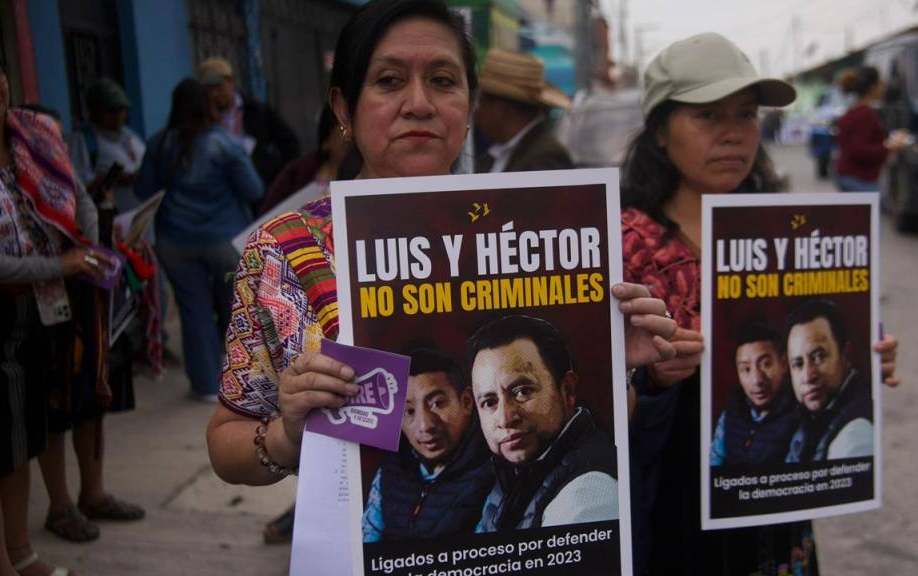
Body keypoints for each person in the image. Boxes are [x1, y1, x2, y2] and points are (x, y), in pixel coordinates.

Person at [206, 0, 675, 503]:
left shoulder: (541, 236)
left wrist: (613, 362)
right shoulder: (286, 251)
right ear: (343, 108)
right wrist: (290, 434)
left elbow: (594, 427)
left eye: (443, 80)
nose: (419, 104)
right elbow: (226, 444)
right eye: (388, 81)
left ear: (469, 105)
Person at [620, 32, 900, 575]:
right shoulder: (624, 244)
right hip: (673, 509)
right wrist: (650, 383)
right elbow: (597, 403)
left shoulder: (790, 233)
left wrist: (863, 356)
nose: (733, 134)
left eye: (746, 115)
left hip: (776, 502)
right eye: (707, 115)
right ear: (659, 132)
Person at [0, 42, 110, 576]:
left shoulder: (33, 134)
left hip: (33, 318)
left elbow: (76, 196)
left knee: (19, 443)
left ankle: (21, 554)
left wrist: (87, 249)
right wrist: (60, 267)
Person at [134, 78, 263, 401]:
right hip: (224, 241)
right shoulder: (225, 143)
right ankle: (243, 383)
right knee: (237, 309)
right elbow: (254, 190)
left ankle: (206, 385)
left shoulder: (158, 143)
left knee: (194, 311)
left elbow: (142, 190)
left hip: (175, 242)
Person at [468, 315, 619, 531]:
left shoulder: (587, 493)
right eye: (489, 402)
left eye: (522, 391)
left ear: (567, 390)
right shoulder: (513, 474)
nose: (505, 419)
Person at [362, 349, 492, 541]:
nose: (425, 425)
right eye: (409, 411)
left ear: (466, 402)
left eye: (437, 403)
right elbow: (369, 540)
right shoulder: (391, 469)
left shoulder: (494, 473)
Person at [784, 299, 873, 462]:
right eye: (798, 364)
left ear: (846, 356)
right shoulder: (808, 422)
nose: (808, 376)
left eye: (818, 357)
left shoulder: (855, 436)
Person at [197, 57, 300, 190]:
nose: (214, 94)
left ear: (231, 82)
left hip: (262, 189)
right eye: (209, 89)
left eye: (219, 87)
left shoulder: (257, 111)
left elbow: (289, 143)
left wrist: (283, 180)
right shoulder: (203, 120)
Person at [709, 321, 798, 467]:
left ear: (784, 363)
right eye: (746, 369)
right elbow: (714, 462)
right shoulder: (731, 411)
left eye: (766, 364)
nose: (757, 380)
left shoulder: (801, 414)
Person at [473, 48, 574, 173]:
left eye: (481, 103)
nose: (476, 112)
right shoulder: (494, 156)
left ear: (500, 108)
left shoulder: (545, 157)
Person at [256, 105, 353, 216]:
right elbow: (267, 216)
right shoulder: (297, 175)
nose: (351, 135)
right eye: (344, 128)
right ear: (326, 141)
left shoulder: (367, 175)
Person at [68, 77, 146, 213]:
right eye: (111, 110)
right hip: (111, 221)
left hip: (141, 217)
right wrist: (112, 179)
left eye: (121, 109)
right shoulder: (82, 140)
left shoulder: (129, 134)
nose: (118, 115)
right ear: (94, 110)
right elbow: (77, 186)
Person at [833, 66, 906, 192]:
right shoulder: (864, 114)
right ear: (873, 87)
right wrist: (890, 146)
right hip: (860, 178)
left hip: (852, 175)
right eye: (880, 83)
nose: (884, 87)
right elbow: (860, 149)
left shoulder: (854, 111)